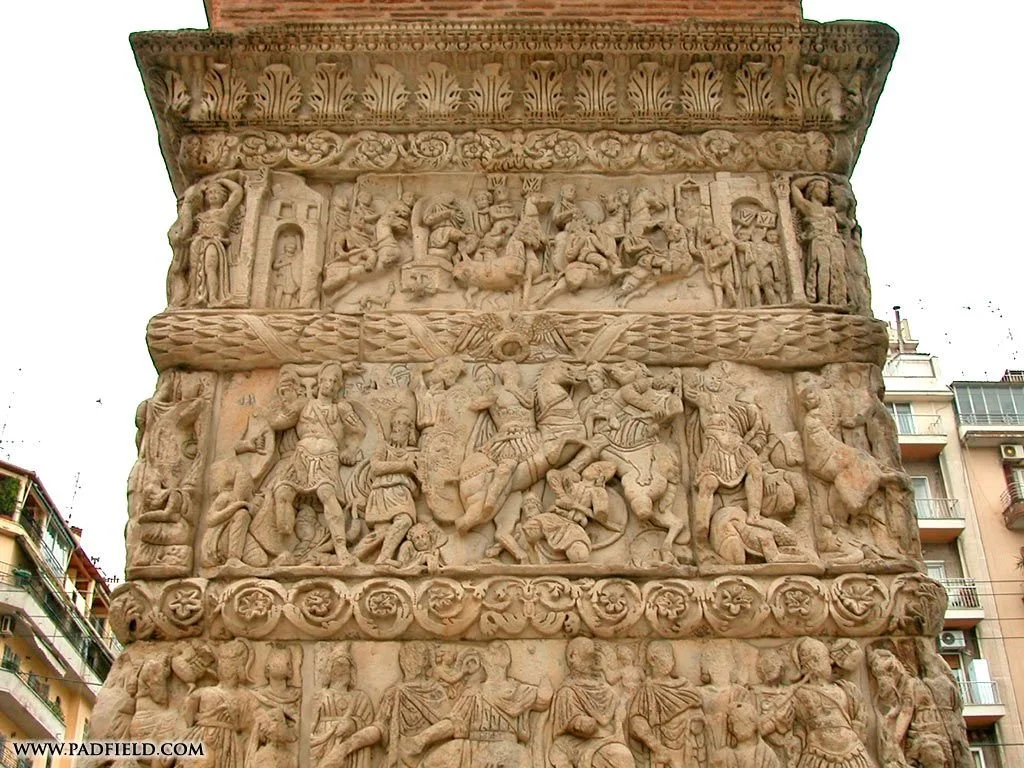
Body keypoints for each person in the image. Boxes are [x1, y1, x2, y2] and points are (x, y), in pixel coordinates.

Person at [269, 361, 366, 564]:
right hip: (301, 456)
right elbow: (277, 422)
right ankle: (282, 549)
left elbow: (359, 430)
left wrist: (351, 449)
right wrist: (286, 400)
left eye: (334, 381)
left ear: (339, 386)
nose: (329, 385)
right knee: (282, 492)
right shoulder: (304, 404)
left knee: (326, 494)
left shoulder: (341, 408)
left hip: (326, 456)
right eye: (326, 380)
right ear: (319, 382)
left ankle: (341, 550)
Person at [167, 173, 245, 308]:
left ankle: (213, 298)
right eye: (210, 193)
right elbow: (184, 222)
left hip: (213, 242)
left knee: (210, 267)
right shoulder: (200, 216)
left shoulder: (223, 212)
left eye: (216, 193)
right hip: (197, 242)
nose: (212, 195)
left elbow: (237, 192)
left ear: (223, 197)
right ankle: (194, 297)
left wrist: (222, 180)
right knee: (194, 270)